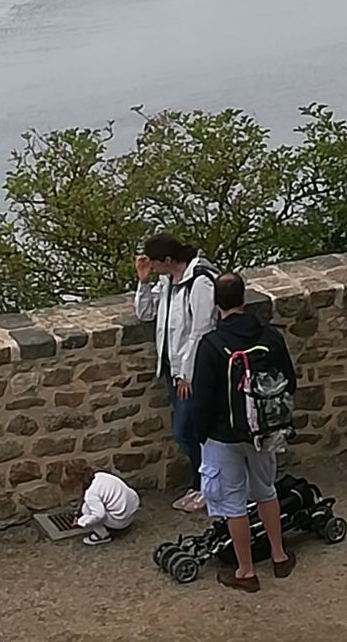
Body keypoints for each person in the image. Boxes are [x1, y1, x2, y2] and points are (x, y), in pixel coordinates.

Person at [191, 271, 299, 594]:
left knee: (233, 502)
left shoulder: (211, 345)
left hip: (224, 436)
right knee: (266, 490)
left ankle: (246, 571)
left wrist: (201, 434)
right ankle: (279, 556)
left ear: (217, 304)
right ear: (244, 297)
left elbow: (202, 398)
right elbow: (289, 381)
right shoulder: (270, 336)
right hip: (264, 432)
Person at [133, 231, 217, 510]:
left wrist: (186, 373)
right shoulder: (168, 281)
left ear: (167, 259)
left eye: (154, 263)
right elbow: (146, 314)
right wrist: (144, 282)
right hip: (171, 368)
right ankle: (201, 482)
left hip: (191, 372)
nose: (154, 268)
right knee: (190, 429)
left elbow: (201, 330)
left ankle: (207, 484)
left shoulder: (200, 282)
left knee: (186, 430)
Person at [63, 458, 140, 546]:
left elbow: (99, 515)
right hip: (131, 510)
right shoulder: (100, 475)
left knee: (86, 510)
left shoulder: (91, 493)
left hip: (122, 521)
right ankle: (117, 521)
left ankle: (103, 536)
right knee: (93, 505)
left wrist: (81, 521)